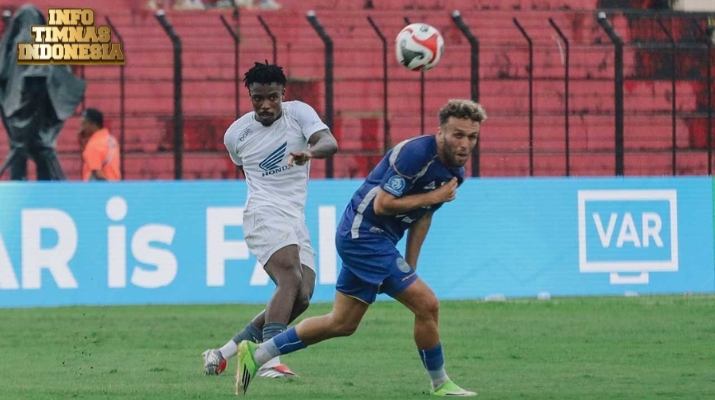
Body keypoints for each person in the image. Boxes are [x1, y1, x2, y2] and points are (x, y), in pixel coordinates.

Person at [235, 99, 486, 397]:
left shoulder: (455, 173)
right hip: (362, 235)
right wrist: (434, 197)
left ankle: (257, 354)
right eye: (458, 135)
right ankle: (440, 383)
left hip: (378, 241)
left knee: (342, 323)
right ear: (440, 132)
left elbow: (424, 216)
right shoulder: (416, 153)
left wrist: (411, 265)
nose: (465, 144)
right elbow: (383, 204)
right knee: (428, 305)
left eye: (472, 137)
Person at [202, 61, 338, 379]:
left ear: (283, 94)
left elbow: (329, 143)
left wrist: (310, 153)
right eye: (258, 98)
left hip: (294, 216)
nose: (265, 104)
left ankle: (222, 353)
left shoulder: (299, 114)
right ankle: (267, 361)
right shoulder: (236, 135)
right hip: (262, 211)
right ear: (249, 96)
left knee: (302, 296)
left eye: (272, 97)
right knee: (289, 277)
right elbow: (245, 168)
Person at [78, 108, 121, 181]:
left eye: (83, 124)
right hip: (115, 184)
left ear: (92, 125)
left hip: (99, 187)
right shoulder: (112, 140)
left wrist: (106, 186)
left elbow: (97, 174)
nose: (81, 128)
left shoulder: (93, 145)